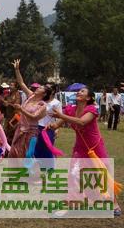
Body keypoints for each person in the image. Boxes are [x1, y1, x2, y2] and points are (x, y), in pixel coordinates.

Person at [50, 85, 121, 216]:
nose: (79, 92)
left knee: (101, 176)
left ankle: (114, 203)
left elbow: (82, 122)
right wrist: (52, 125)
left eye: (82, 91)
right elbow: (57, 123)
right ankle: (70, 203)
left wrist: (61, 115)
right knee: (73, 174)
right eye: (79, 91)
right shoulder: (70, 109)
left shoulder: (92, 109)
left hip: (95, 148)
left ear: (88, 97)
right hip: (80, 149)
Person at [8, 60, 47, 158]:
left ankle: (33, 172)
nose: (38, 88)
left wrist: (21, 109)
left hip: (31, 131)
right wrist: (17, 69)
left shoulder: (42, 104)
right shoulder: (31, 95)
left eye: (41, 88)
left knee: (27, 154)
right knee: (14, 152)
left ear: (45, 93)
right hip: (20, 128)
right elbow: (21, 83)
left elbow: (34, 117)